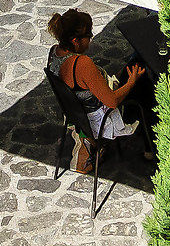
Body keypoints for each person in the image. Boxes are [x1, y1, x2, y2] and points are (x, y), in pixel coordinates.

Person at [46, 10, 143, 172]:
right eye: (89, 35)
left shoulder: (55, 51)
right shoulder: (81, 64)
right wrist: (132, 82)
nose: (91, 39)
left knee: (123, 73)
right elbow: (112, 101)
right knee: (140, 92)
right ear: (76, 40)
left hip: (74, 111)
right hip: (94, 119)